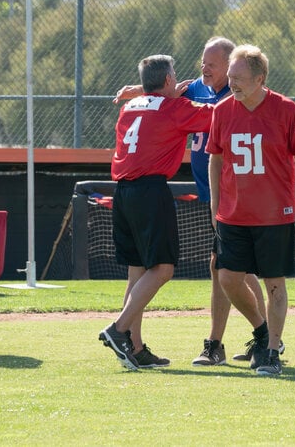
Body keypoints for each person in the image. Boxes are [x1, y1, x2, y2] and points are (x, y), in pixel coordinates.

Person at [113, 37, 268, 367]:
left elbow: (159, 99)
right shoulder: (187, 97)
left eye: (211, 64)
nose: (202, 69)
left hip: (228, 195)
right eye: (202, 62)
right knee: (211, 267)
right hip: (162, 192)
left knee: (226, 266)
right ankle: (125, 334)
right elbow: (195, 110)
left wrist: (142, 92)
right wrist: (157, 92)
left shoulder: (132, 106)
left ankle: (250, 339)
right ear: (169, 80)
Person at [99, 54, 214, 370]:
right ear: (167, 80)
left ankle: (133, 349)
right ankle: (119, 330)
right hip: (151, 191)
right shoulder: (175, 109)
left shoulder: (129, 107)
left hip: (123, 193)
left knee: (137, 271)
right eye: (174, 75)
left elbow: (151, 102)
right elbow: (219, 115)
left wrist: (153, 92)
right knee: (162, 269)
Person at [208, 44, 295, 376]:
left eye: (238, 78)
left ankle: (271, 352)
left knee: (274, 283)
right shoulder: (222, 110)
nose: (232, 83)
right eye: (230, 77)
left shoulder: (286, 109)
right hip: (234, 213)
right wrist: (215, 202)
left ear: (260, 78)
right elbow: (215, 157)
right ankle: (261, 330)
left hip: (274, 214)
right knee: (227, 276)